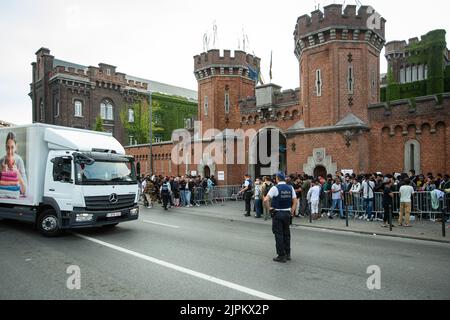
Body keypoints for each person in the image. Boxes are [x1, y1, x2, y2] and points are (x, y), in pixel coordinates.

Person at [264, 172, 297, 263]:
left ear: (277, 178)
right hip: (287, 213)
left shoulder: (275, 188)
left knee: (279, 235)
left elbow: (266, 199)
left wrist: (270, 209)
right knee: (287, 234)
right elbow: (295, 201)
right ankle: (288, 253)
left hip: (278, 213)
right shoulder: (290, 187)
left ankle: (281, 255)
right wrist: (292, 211)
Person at [0, 132, 27, 196]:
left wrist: (17, 173)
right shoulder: (1, 161)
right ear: (5, 147)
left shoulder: (19, 161)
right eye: (8, 147)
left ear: (16, 147)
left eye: (12, 147)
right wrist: (1, 173)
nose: (9, 151)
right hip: (3, 200)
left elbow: (25, 191)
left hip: (15, 201)